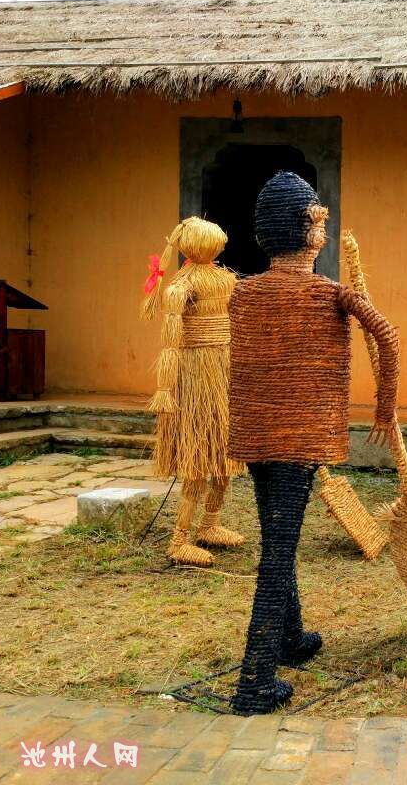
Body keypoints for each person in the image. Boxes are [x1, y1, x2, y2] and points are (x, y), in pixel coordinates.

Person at [228, 172, 400, 714]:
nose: (322, 226)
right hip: (299, 437)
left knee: (278, 536)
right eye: (317, 218)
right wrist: (385, 409)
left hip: (257, 434)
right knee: (278, 552)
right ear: (308, 231)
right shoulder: (330, 293)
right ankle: (255, 681)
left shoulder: (242, 293)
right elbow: (389, 339)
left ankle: (290, 639)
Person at [142, 218, 245, 567]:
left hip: (223, 372)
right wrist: (164, 390)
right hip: (195, 375)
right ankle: (179, 539)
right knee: (198, 459)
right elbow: (171, 344)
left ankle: (210, 524)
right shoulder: (179, 287)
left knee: (225, 457)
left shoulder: (227, 280)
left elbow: (240, 324)